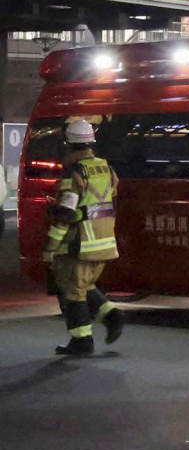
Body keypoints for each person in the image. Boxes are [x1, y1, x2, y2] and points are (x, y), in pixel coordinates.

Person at [43, 119, 124, 356]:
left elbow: (66, 214)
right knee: (85, 285)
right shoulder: (107, 169)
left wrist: (51, 245)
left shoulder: (74, 173)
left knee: (73, 292)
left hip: (79, 244)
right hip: (104, 240)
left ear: (68, 144)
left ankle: (82, 341)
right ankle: (112, 316)